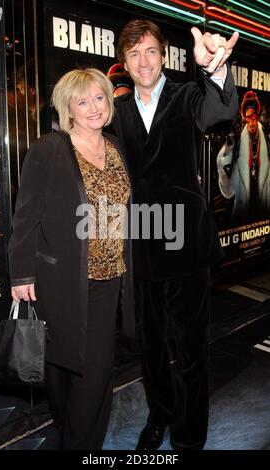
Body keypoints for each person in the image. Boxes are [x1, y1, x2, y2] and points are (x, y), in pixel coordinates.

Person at [111, 19, 239, 450]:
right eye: (133, 54)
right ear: (124, 62)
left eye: (150, 51)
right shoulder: (118, 111)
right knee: (151, 350)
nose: (143, 61)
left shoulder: (187, 95)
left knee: (189, 350)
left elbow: (220, 111)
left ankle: (188, 436)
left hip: (187, 245)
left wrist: (215, 71)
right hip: (144, 245)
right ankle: (159, 414)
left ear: (164, 54)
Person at [8, 68, 134, 450]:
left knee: (95, 374)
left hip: (108, 279)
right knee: (61, 367)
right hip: (60, 280)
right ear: (69, 109)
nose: (93, 107)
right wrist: (20, 275)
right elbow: (25, 216)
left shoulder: (114, 146)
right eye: (82, 101)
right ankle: (71, 431)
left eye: (99, 98)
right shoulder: (50, 149)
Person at [217, 90, 270, 222]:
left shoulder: (268, 142)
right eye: (247, 118)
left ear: (257, 116)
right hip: (243, 218)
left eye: (252, 117)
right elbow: (228, 192)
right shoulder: (237, 145)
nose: (251, 123)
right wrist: (227, 156)